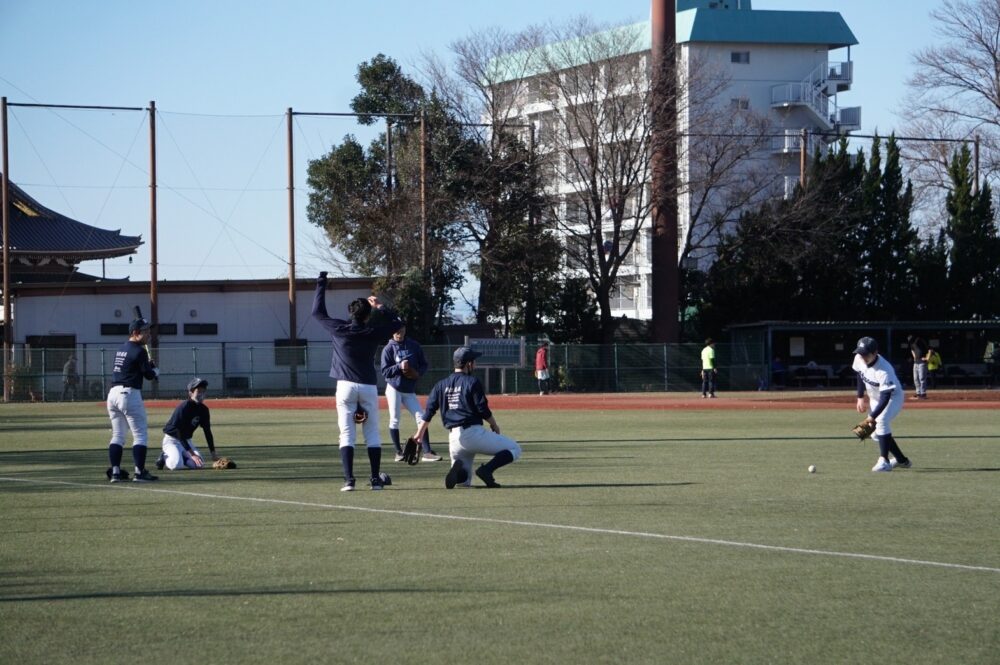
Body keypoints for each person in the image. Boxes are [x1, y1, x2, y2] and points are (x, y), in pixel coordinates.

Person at [313, 272, 403, 491]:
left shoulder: (339, 329)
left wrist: (321, 282)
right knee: (371, 433)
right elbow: (399, 323)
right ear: (367, 315)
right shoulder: (372, 331)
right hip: (367, 385)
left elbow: (317, 312)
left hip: (344, 386)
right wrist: (380, 307)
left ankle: (349, 480)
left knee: (346, 433)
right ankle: (374, 480)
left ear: (350, 313)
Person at [412, 346, 521, 489]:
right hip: (473, 433)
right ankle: (486, 470)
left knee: (464, 482)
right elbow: (482, 409)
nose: (475, 364)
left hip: (454, 439)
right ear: (468, 364)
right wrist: (494, 425)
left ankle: (459, 472)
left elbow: (428, 412)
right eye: (474, 361)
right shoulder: (472, 381)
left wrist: (419, 434)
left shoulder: (440, 385)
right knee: (515, 449)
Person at [105, 318, 160, 483]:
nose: (149, 334)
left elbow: (135, 366)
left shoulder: (121, 348)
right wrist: (155, 370)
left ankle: (115, 472)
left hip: (113, 394)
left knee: (118, 435)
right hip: (129, 393)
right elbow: (149, 375)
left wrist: (147, 366)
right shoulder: (140, 351)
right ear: (135, 333)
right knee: (140, 435)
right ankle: (139, 472)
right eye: (145, 331)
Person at [380, 325, 441, 463]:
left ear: (405, 330)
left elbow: (424, 364)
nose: (398, 334)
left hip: (408, 390)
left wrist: (418, 373)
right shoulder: (388, 349)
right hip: (394, 388)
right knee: (395, 419)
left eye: (400, 331)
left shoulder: (413, 345)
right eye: (396, 331)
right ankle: (398, 452)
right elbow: (385, 371)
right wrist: (399, 366)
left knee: (422, 418)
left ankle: (427, 452)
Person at [852, 336, 911, 473]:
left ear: (875, 353)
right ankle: (902, 460)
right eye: (860, 353)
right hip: (875, 397)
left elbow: (886, 396)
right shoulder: (859, 358)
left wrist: (872, 416)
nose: (862, 356)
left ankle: (884, 461)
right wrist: (860, 397)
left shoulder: (884, 370)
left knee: (881, 422)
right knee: (875, 434)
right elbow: (859, 375)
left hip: (893, 398)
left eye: (865, 354)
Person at [155, 377, 218, 471]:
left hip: (186, 441)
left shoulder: (204, 410)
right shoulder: (184, 407)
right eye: (198, 391)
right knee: (176, 465)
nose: (201, 394)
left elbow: (207, 432)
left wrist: (213, 453)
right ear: (191, 393)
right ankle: (164, 457)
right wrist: (192, 454)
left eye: (203, 391)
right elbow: (178, 432)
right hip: (172, 440)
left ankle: (183, 458)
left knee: (199, 465)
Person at [908, 334, 929, 399]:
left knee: (922, 378)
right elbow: (912, 350)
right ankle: (918, 393)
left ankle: (923, 393)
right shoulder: (912, 344)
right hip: (916, 363)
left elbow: (930, 350)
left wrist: (927, 358)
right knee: (916, 378)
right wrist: (914, 356)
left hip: (922, 362)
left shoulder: (921, 342)